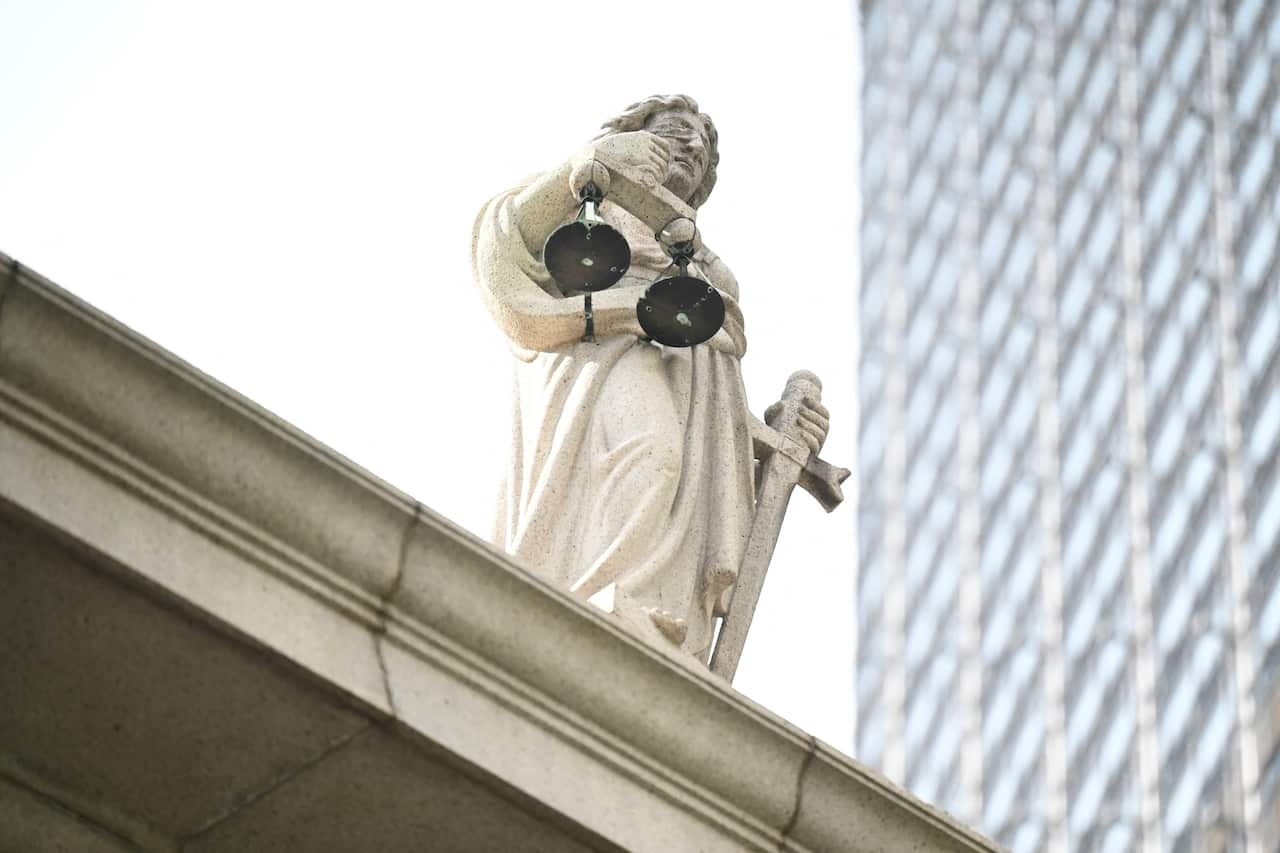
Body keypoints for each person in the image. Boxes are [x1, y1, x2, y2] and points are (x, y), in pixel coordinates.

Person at [471, 94, 826, 662]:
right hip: (600, 363)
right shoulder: (585, 209)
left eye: (703, 149)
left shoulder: (706, 269)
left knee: (672, 465)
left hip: (680, 392)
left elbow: (710, 414)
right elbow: (503, 253)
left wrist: (777, 437)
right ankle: (602, 594)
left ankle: (646, 604)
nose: (691, 147)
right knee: (649, 452)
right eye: (676, 131)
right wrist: (589, 163)